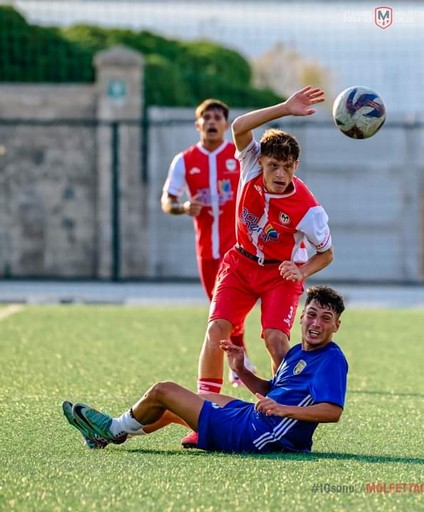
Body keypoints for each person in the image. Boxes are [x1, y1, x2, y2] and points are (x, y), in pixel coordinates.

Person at [181, 86, 333, 448]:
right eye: (273, 165)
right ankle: (204, 415)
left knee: (276, 340)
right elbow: (240, 127)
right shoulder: (248, 163)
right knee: (217, 329)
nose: (280, 173)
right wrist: (285, 107)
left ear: (296, 167)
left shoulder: (309, 209)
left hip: (280, 274)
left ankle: (281, 415)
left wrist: (302, 271)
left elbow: (326, 253)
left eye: (287, 167)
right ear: (260, 162)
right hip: (240, 264)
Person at [62, 285, 348, 454]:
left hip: (261, 436)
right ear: (301, 317)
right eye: (311, 314)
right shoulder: (297, 352)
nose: (316, 323)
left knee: (164, 391)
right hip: (255, 419)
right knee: (187, 402)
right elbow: (273, 393)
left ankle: (113, 429)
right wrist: (242, 370)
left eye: (326, 318)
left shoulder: (331, 359)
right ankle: (108, 436)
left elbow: (332, 411)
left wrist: (285, 411)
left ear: (336, 326)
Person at [161, 98, 253, 387]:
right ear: (197, 124)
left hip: (237, 249)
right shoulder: (185, 160)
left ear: (226, 124)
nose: (212, 122)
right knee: (219, 308)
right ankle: (240, 360)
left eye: (217, 117)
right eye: (206, 117)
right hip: (206, 251)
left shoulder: (239, 155)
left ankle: (238, 364)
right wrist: (183, 207)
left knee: (226, 309)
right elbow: (167, 201)